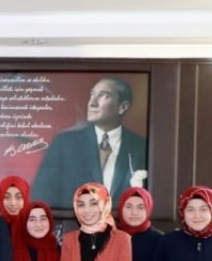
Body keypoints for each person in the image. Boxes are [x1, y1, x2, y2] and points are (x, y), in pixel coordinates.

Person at [32, 77, 147, 209]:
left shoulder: (142, 147)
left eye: (103, 95)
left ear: (123, 107)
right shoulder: (64, 144)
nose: (92, 103)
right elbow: (41, 198)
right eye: (92, 95)